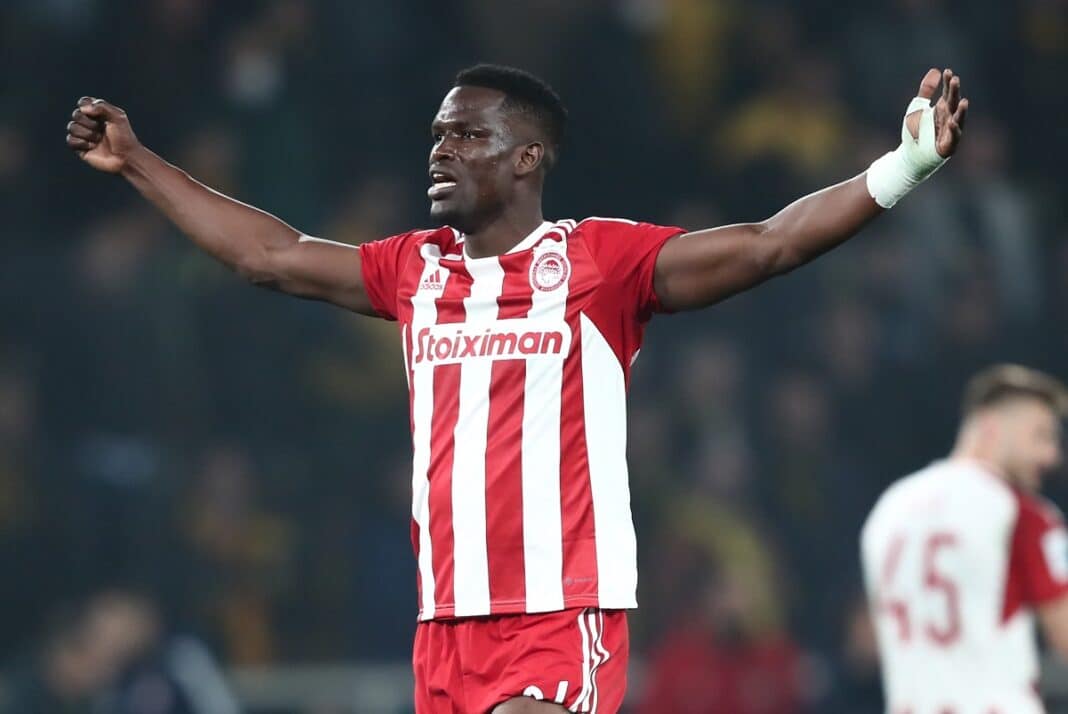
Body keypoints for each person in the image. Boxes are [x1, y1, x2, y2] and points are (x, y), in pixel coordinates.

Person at [66, 63, 968, 713]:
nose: (442, 149)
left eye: (468, 135)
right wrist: (137, 160)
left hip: (557, 612)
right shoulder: (414, 270)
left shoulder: (597, 263)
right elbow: (271, 255)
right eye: (438, 134)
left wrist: (903, 168)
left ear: (528, 157)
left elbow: (769, 245)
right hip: (445, 623)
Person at [861, 365, 1068, 713]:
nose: (1051, 456)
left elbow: (873, 641)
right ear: (990, 428)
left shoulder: (887, 511)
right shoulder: (1020, 514)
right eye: (1040, 436)